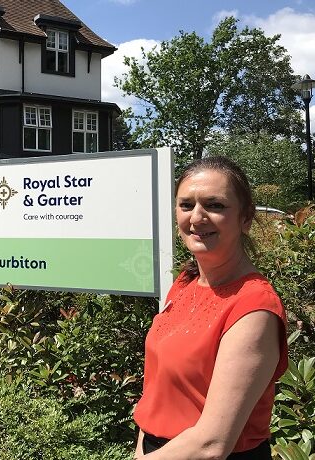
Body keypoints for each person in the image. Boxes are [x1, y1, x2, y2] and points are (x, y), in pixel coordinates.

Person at [133, 156, 288, 459]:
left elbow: (212, 444)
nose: (197, 217)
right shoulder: (185, 284)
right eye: (186, 205)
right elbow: (156, 392)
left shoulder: (253, 308)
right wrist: (142, 448)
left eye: (215, 205)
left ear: (245, 218)